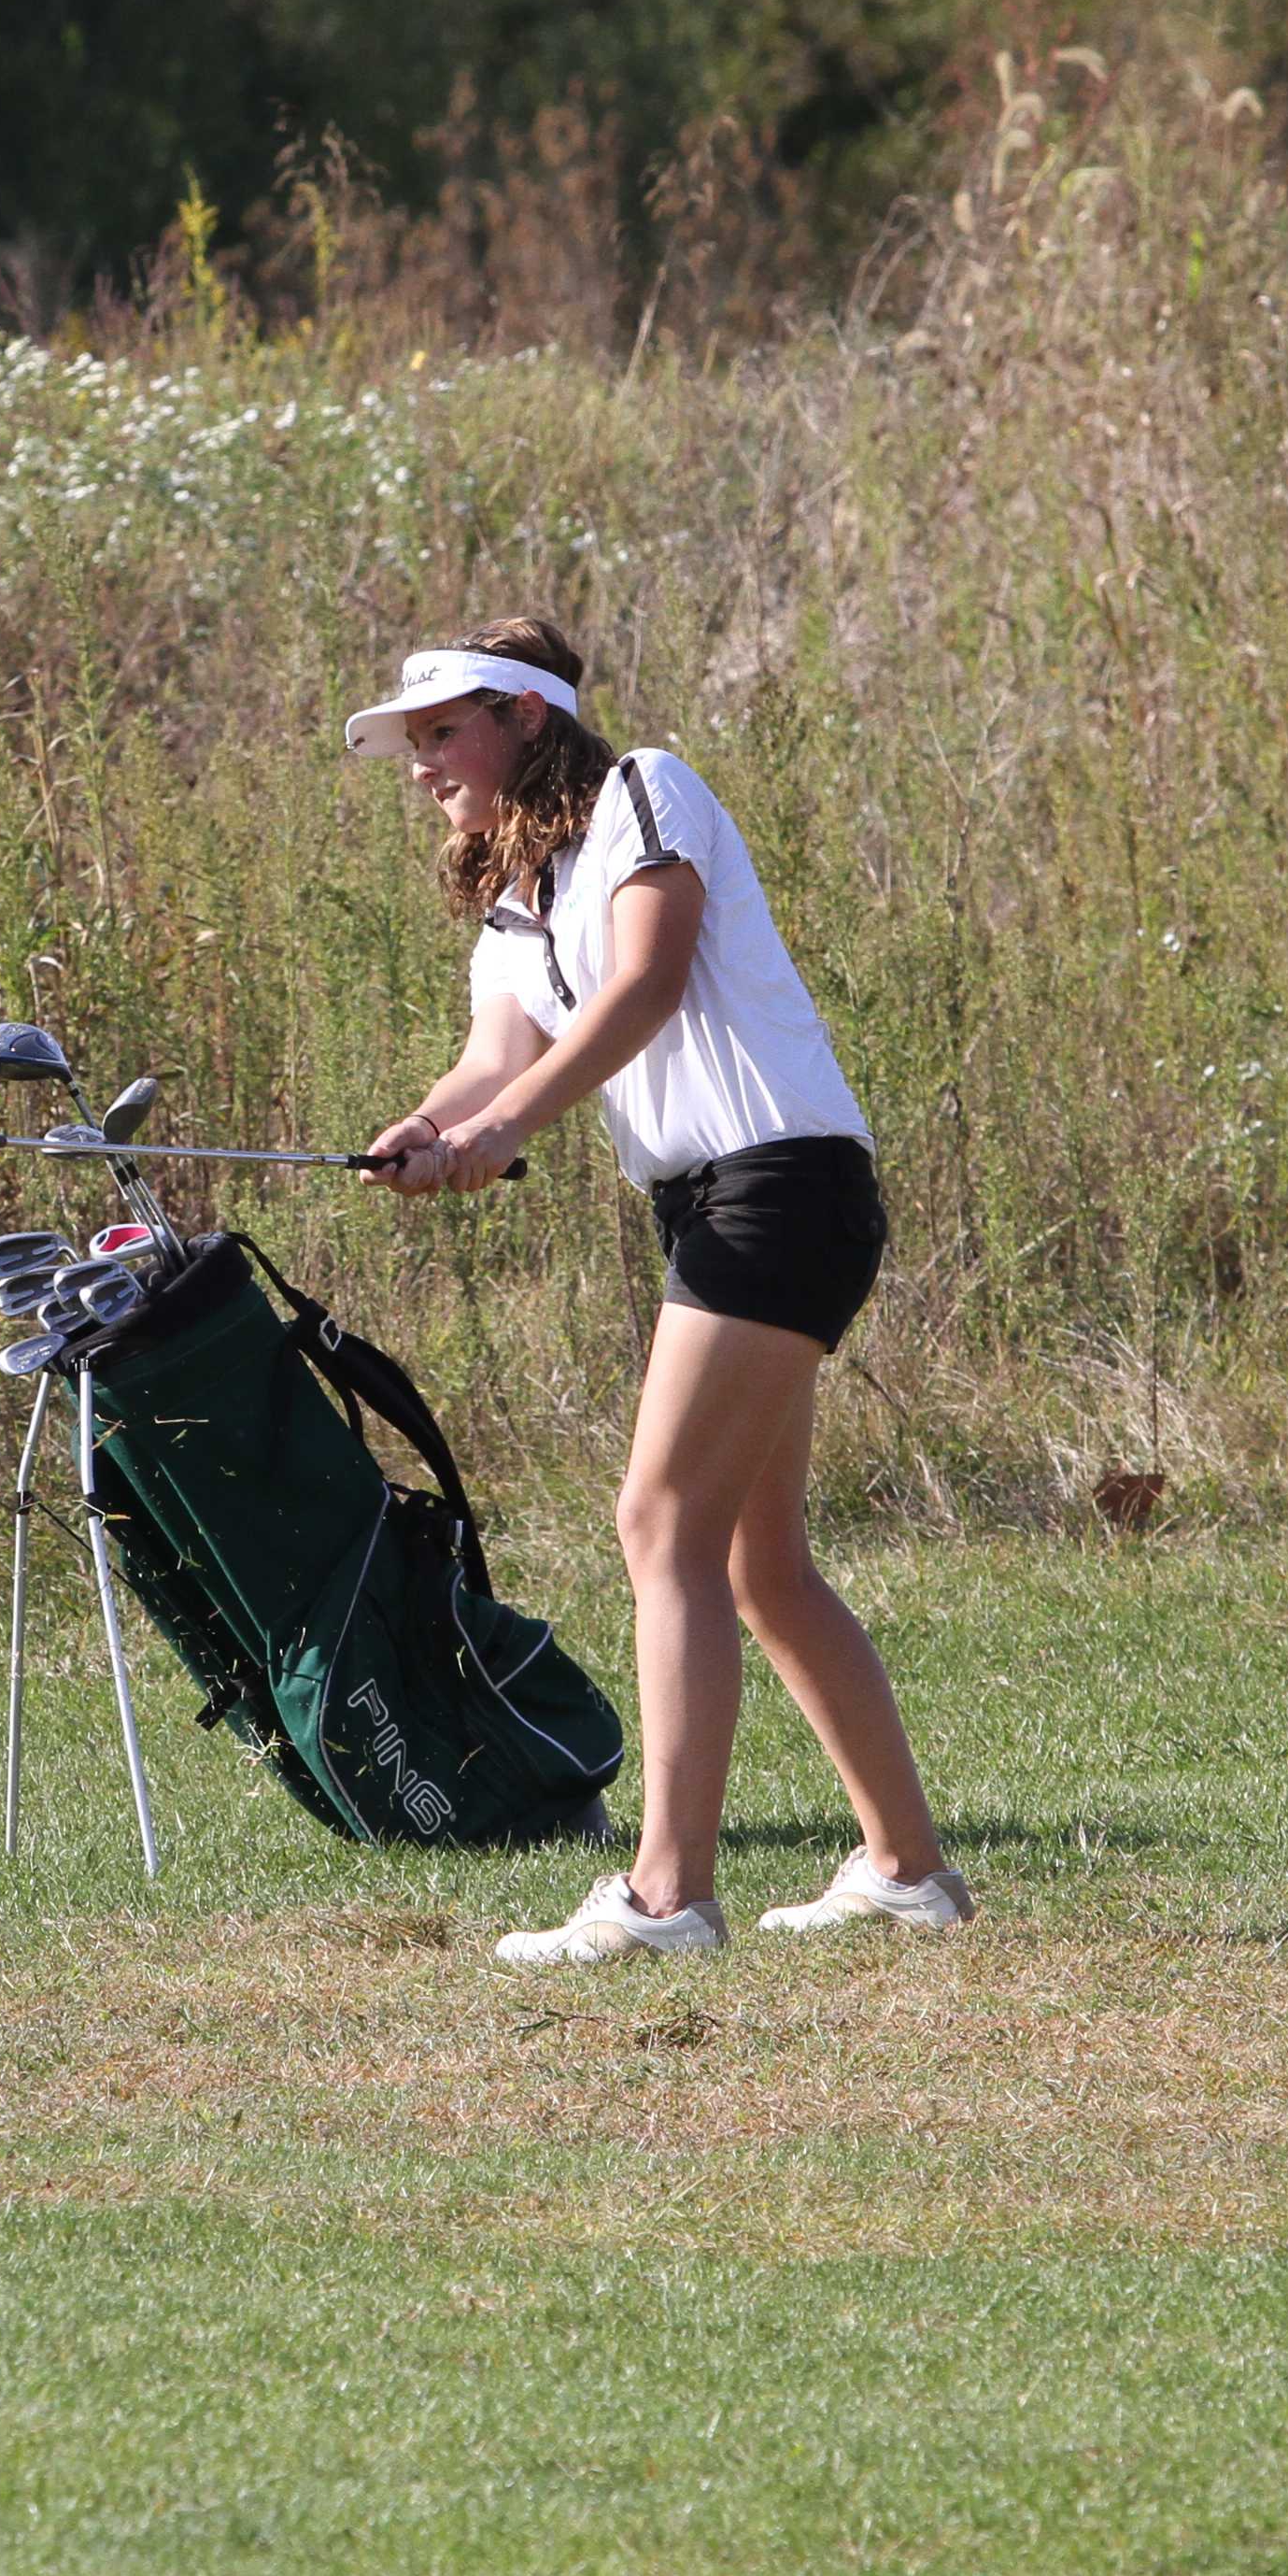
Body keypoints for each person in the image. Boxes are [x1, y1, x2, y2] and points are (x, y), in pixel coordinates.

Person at [344, 617, 973, 1967]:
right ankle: (908, 1872)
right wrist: (431, 1129)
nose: (420, 764)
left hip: (781, 1186)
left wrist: (503, 1131)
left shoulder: (646, 789)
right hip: (716, 1207)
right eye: (412, 741)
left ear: (523, 717)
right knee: (759, 1562)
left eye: (443, 730)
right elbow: (492, 1056)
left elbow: (649, 978)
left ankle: (665, 1897)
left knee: (659, 1524)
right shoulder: (516, 903)